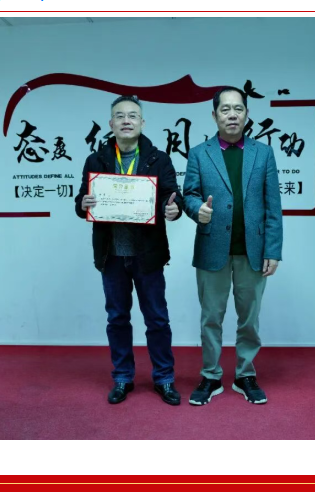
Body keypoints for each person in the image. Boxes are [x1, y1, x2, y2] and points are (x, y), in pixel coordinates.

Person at [75, 95, 184, 406]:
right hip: (111, 255)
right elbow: (81, 200)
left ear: (142, 123)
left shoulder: (159, 159)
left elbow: (171, 196)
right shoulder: (95, 160)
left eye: (132, 116)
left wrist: (172, 209)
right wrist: (83, 204)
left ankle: (164, 378)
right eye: (120, 116)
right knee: (117, 319)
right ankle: (122, 377)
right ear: (111, 124)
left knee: (157, 319)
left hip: (148, 254)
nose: (126, 120)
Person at [183, 86, 283, 406]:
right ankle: (211, 376)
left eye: (238, 109)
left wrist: (273, 250)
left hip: (253, 250)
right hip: (212, 247)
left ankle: (245, 375)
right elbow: (189, 194)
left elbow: (273, 206)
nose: (232, 115)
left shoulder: (263, 153)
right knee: (211, 317)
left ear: (246, 114)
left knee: (249, 319)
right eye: (225, 109)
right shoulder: (200, 153)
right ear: (214, 115)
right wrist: (197, 210)